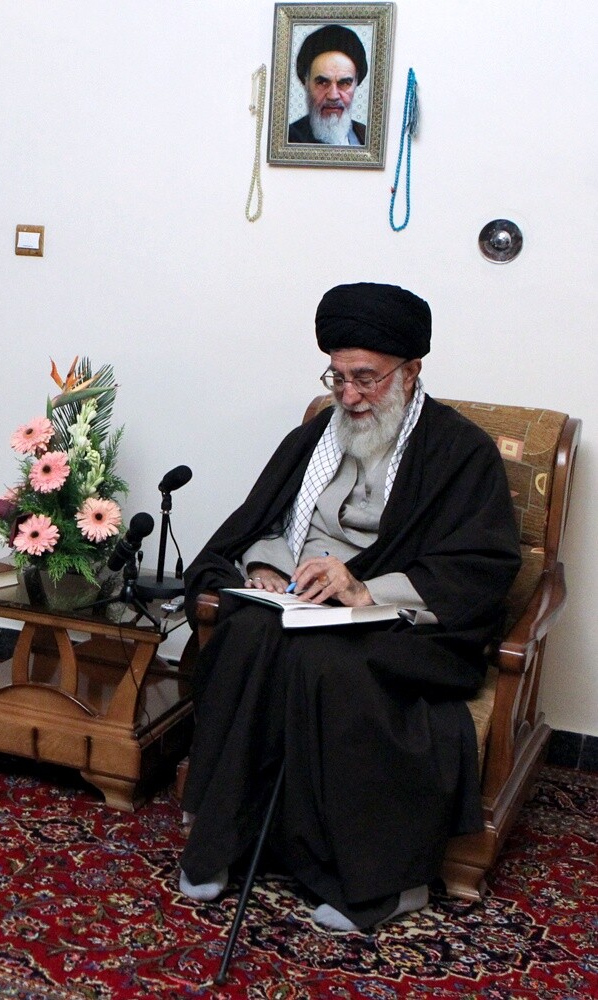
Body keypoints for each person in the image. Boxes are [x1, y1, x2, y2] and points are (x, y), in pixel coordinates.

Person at [178, 283, 521, 931]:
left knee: (329, 664)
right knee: (246, 633)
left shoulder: (461, 452)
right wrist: (266, 567)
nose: (350, 395)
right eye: (338, 377)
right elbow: (269, 521)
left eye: (366, 378)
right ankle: (226, 841)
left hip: (401, 620)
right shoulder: (315, 436)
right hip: (302, 600)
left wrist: (366, 589)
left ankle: (382, 881)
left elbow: (479, 567)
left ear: (410, 371)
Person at [287, 25, 369, 145]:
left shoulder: (366, 136)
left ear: (356, 82)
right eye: (322, 82)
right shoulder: (288, 138)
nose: (333, 96)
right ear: (306, 82)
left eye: (344, 83)